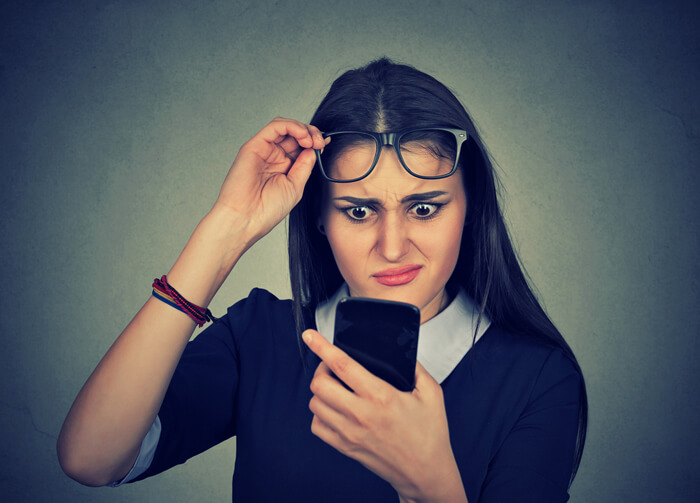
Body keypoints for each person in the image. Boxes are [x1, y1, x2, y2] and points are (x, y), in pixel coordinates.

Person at [57, 58, 587, 502]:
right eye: (358, 212)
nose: (393, 245)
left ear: (470, 209)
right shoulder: (261, 335)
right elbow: (91, 459)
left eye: (425, 207)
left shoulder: (538, 378)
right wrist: (226, 229)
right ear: (318, 217)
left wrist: (430, 484)